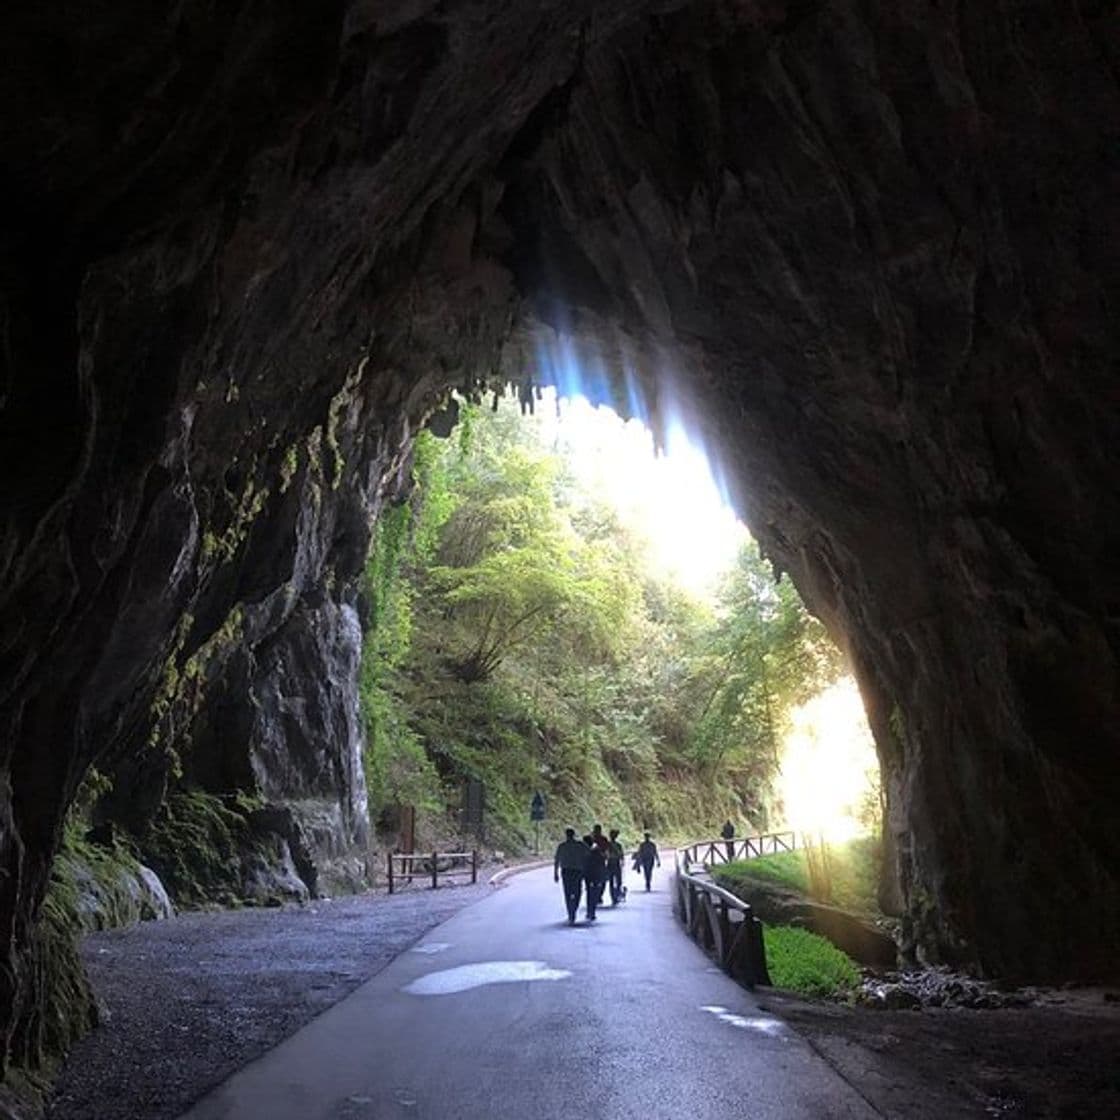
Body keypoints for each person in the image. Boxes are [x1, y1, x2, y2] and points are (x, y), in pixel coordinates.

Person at [554, 828, 588, 924]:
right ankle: (574, 909)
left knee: (568, 892)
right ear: (574, 835)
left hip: (566, 871)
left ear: (566, 835)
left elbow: (557, 860)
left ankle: (570, 912)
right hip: (577, 871)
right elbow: (589, 853)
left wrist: (555, 873)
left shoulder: (562, 846)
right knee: (577, 891)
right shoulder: (580, 845)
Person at [583, 834, 607, 920]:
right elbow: (603, 860)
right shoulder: (597, 850)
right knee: (593, 892)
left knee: (590, 892)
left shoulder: (584, 850)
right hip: (595, 874)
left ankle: (590, 911)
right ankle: (591, 911)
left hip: (588, 874)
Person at [606, 828, 625, 904]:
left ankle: (616, 895)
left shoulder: (618, 845)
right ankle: (614, 897)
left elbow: (621, 855)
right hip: (612, 863)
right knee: (613, 881)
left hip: (614, 863)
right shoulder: (609, 845)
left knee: (618, 881)